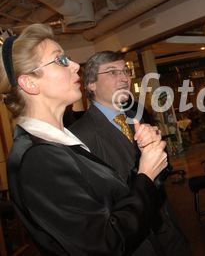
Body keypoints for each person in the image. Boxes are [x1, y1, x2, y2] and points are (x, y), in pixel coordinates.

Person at [1, 24, 169, 255]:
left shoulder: (56, 143)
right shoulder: (38, 159)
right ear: (30, 83)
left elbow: (111, 202)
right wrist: (146, 176)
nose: (75, 66)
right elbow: (104, 243)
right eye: (60, 60)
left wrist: (143, 159)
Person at [69, 51, 189, 255]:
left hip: (168, 231)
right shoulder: (79, 136)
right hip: (134, 244)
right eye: (113, 72)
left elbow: (162, 168)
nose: (124, 78)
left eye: (125, 71)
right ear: (91, 84)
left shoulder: (138, 114)